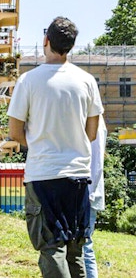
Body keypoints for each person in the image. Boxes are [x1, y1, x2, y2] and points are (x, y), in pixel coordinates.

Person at [8, 17, 104, 278]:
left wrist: (40, 142)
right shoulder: (87, 81)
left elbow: (15, 132)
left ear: (45, 41)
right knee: (75, 251)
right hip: (78, 176)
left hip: (44, 175)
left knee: (51, 248)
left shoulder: (28, 81)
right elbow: (92, 133)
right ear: (71, 46)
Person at [84, 114, 107, 278]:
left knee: (84, 246)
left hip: (87, 191)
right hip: (88, 190)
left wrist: (89, 192)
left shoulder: (94, 118)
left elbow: (96, 161)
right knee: (83, 246)